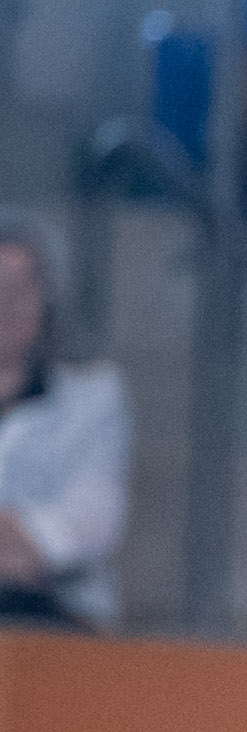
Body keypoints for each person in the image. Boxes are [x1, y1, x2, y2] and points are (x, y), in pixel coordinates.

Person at [0, 217, 129, 628]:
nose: (7, 303)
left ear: (48, 299)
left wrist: (25, 545)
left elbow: (95, 516)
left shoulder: (95, 398)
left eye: (22, 286)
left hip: (54, 612)